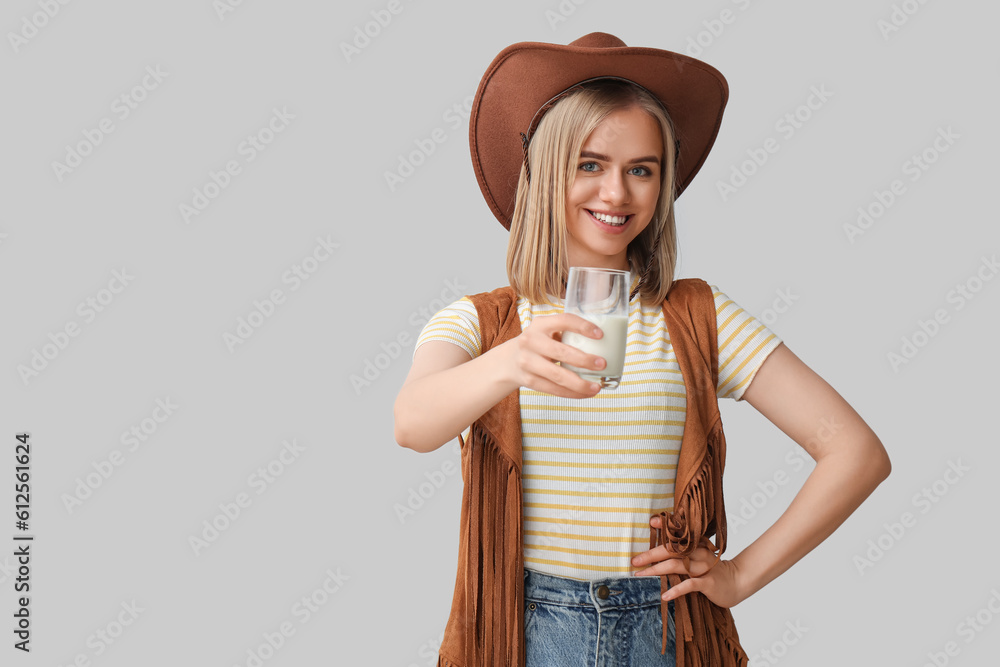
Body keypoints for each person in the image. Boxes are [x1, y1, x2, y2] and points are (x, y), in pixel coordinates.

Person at [394, 32, 890, 667]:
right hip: (524, 632)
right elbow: (412, 423)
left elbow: (855, 451)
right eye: (590, 164)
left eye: (641, 169)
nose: (617, 194)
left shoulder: (698, 319)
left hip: (665, 631)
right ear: (547, 173)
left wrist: (738, 578)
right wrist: (511, 361)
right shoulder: (483, 322)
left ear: (662, 185)